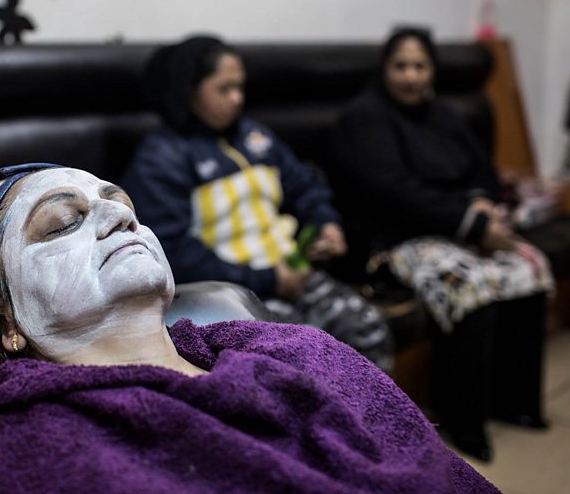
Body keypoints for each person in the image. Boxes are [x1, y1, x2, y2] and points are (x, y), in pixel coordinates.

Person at [0, 163, 499, 493]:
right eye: (63, 222)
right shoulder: (19, 454)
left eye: (120, 205)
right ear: (8, 320)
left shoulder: (292, 347)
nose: (117, 217)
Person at [330, 26, 554, 462]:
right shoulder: (366, 118)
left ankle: (515, 402)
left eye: (419, 66)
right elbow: (391, 193)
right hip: (395, 239)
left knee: (529, 267)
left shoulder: (442, 113)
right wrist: (472, 223)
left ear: (432, 70)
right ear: (385, 69)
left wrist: (484, 203)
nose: (410, 76)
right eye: (400, 66)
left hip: (456, 229)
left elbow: (481, 168)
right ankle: (463, 419)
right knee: (472, 283)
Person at [119, 36, 393, 372]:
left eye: (240, 87)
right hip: (235, 291)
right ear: (188, 90)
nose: (237, 98)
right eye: (224, 89)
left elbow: (304, 187)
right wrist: (269, 279)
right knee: (301, 357)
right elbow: (173, 252)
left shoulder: (255, 137)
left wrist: (325, 223)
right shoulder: (161, 158)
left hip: (293, 271)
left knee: (368, 329)